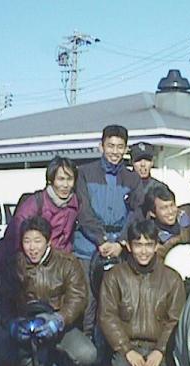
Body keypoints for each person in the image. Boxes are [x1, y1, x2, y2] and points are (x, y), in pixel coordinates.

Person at [0, 216, 96, 366]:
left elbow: (78, 298)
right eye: (27, 241)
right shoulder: (14, 264)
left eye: (37, 241)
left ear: (48, 242)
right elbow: (3, 303)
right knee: (1, 352)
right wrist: (12, 324)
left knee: (87, 353)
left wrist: (59, 319)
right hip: (26, 325)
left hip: (60, 325)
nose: (32, 247)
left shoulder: (68, 263)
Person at [98, 219, 185, 366]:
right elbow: (107, 316)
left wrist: (160, 350)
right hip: (128, 345)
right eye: (138, 245)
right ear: (129, 247)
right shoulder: (114, 276)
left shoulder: (172, 278)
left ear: (156, 246)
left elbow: (175, 319)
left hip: (157, 347)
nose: (143, 251)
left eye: (148, 245)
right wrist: (127, 350)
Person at [73, 124, 143, 336]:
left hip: (119, 249)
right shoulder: (84, 173)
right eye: (110, 146)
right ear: (101, 146)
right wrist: (101, 240)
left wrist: (121, 242)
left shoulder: (132, 179)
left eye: (120, 147)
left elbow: (136, 212)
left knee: (116, 304)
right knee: (88, 304)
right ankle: (85, 348)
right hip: (88, 248)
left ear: (126, 149)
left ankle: (112, 348)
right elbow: (83, 210)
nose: (115, 151)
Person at [0, 156, 80, 293]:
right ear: (51, 180)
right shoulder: (34, 204)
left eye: (69, 179)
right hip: (30, 269)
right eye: (61, 179)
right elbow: (12, 237)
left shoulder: (75, 204)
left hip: (57, 270)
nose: (65, 185)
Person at [142, 184, 190, 260]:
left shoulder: (189, 215)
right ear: (152, 213)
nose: (170, 211)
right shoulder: (151, 238)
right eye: (164, 208)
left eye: (172, 205)